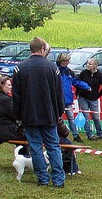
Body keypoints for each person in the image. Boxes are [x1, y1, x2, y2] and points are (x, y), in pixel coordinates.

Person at [12, 37, 66, 188]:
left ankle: (42, 178)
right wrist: (59, 112)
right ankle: (58, 180)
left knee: (35, 147)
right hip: (49, 114)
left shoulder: (19, 68)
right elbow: (58, 94)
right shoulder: (53, 69)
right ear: (42, 49)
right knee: (53, 146)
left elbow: (17, 96)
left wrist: (18, 116)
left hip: (29, 115)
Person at [56, 52, 90, 143]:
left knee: (71, 118)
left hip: (68, 100)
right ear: (62, 61)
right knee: (58, 119)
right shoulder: (55, 71)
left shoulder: (69, 71)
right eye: (67, 60)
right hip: (57, 100)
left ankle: (76, 135)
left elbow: (77, 81)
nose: (69, 62)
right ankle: (58, 136)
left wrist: (87, 87)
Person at [77, 58, 102, 140]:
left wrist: (98, 94)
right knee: (86, 116)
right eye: (87, 63)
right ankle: (90, 134)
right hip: (83, 97)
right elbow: (78, 83)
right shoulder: (83, 73)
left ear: (95, 66)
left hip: (93, 98)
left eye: (90, 64)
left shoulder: (99, 75)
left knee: (95, 116)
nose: (88, 65)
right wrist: (78, 94)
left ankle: (100, 133)